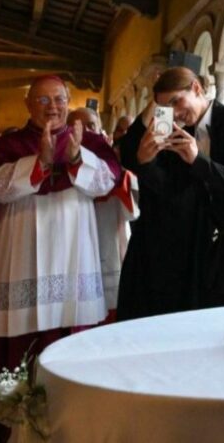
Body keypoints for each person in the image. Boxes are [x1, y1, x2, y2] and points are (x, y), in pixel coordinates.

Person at [117, 67, 224, 320]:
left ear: (197, 88)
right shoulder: (176, 134)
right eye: (166, 107)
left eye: (177, 101)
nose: (175, 113)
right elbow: (168, 188)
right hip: (211, 249)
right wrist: (147, 162)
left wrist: (198, 160)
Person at [0, 76, 120, 372]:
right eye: (42, 100)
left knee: (73, 319)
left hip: (75, 247)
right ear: (28, 104)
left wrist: (78, 157)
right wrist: (39, 163)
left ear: (68, 103)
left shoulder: (90, 141)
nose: (52, 107)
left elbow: (106, 183)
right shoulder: (8, 145)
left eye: (58, 99)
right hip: (23, 247)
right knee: (24, 328)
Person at [68, 107, 137, 316]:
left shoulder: (111, 156)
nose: (87, 131)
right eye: (79, 126)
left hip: (109, 226)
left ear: (100, 128)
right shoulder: (60, 156)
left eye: (91, 125)